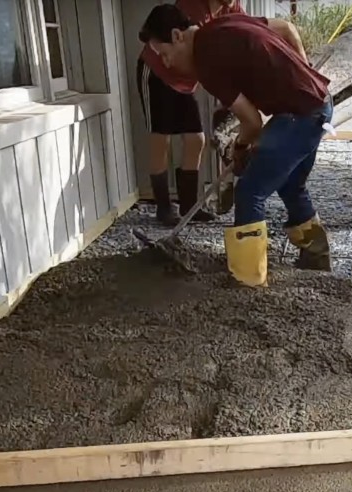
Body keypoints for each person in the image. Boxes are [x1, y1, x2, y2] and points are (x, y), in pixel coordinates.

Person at [139, 4, 332, 288]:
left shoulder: (206, 61)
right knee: (291, 185)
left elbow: (251, 122)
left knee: (250, 190)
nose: (166, 64)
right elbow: (284, 28)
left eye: (165, 55)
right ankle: (316, 258)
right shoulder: (224, 24)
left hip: (300, 116)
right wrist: (303, 73)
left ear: (178, 36)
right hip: (319, 104)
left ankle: (248, 279)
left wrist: (241, 148)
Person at [136, 0, 244, 225]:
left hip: (184, 81)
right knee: (160, 139)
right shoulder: (193, 8)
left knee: (196, 139)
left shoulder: (231, 7)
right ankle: (164, 208)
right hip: (157, 73)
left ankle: (188, 206)